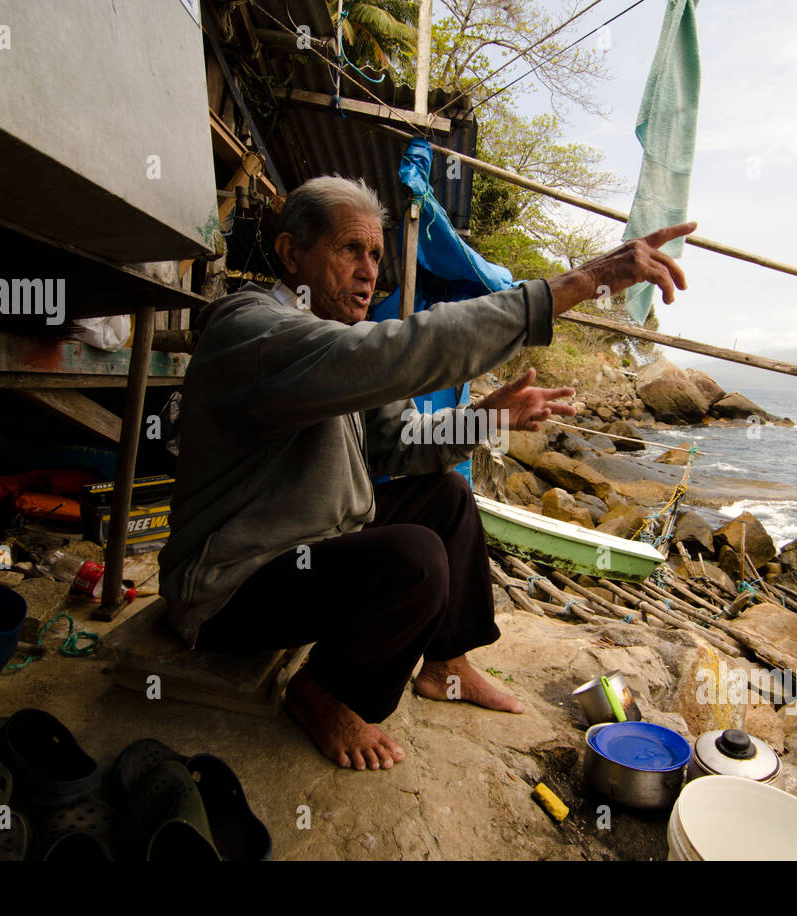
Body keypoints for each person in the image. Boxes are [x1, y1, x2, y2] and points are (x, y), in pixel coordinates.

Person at [159, 175, 695, 770]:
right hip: (233, 587)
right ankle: (323, 692)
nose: (369, 272)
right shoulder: (253, 328)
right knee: (413, 559)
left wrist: (479, 421)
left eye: (375, 256)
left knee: (447, 494)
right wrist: (578, 284)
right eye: (349, 250)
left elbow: (399, 446)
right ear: (291, 254)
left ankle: (446, 665)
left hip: (315, 552)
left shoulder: (344, 340)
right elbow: (398, 351)